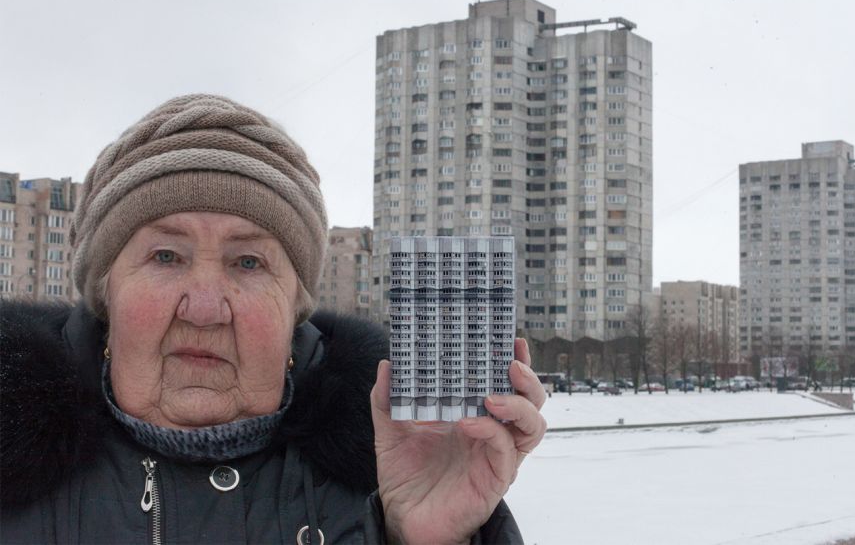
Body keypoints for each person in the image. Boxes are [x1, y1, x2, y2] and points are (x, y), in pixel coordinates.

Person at [0, 94, 547, 544]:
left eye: (248, 262)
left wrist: (425, 539)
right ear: (105, 291)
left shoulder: (381, 485)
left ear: (295, 305)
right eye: (166, 256)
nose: (206, 308)